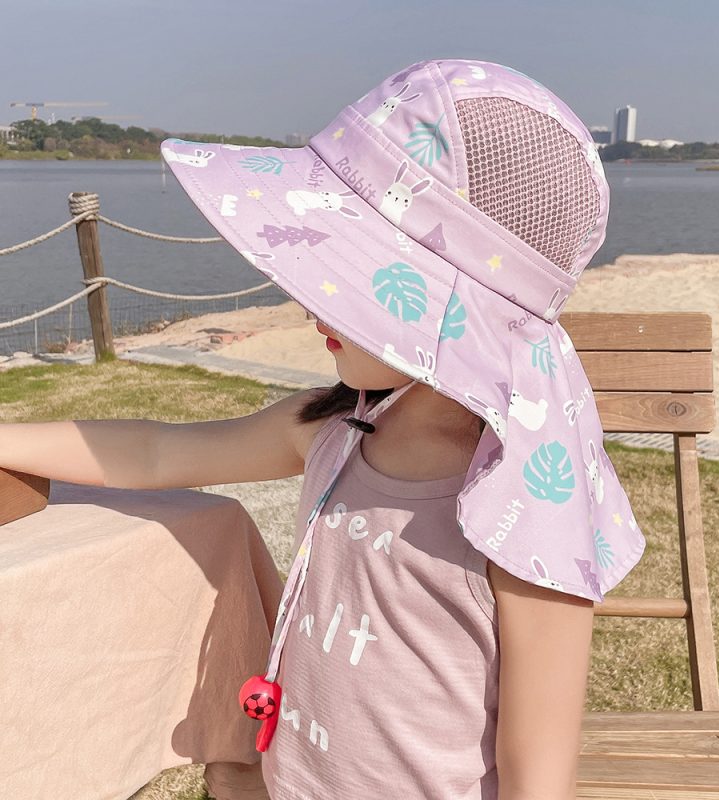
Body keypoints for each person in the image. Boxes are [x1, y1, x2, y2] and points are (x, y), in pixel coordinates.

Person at [3, 59, 646, 799]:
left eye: (351, 283)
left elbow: (539, 760)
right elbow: (154, 452)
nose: (312, 305)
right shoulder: (338, 426)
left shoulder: (525, 506)